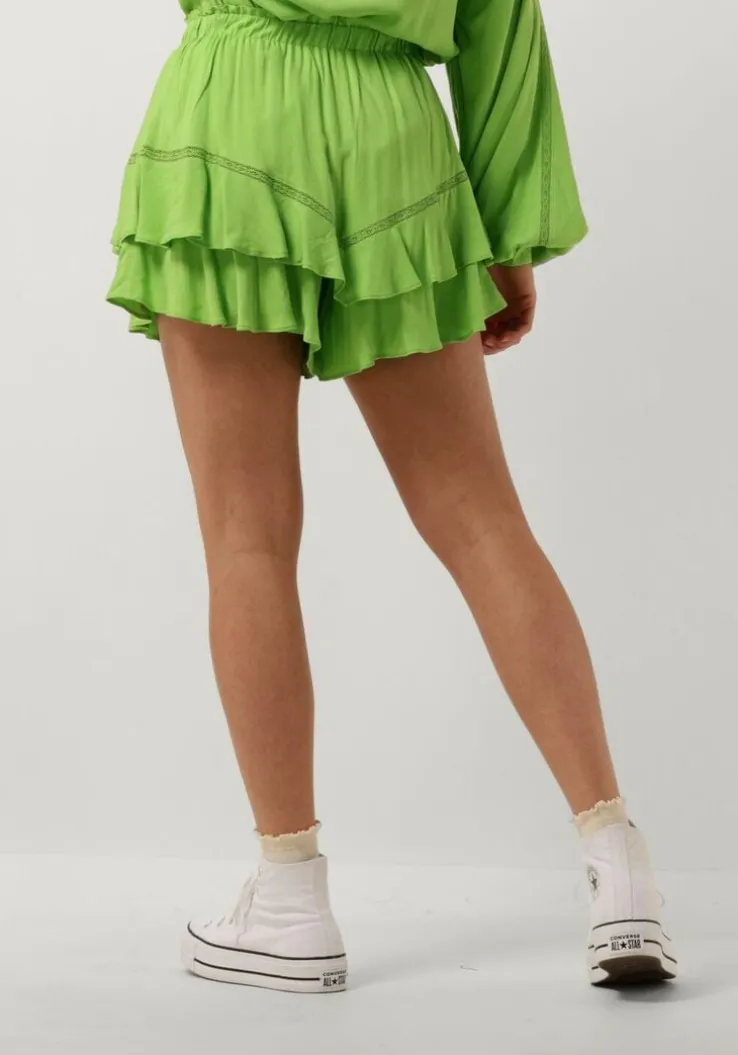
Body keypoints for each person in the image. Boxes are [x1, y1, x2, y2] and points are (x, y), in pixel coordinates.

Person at [107, 0, 677, 992]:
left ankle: (290, 899)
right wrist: (508, 239)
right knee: (480, 518)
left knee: (247, 535)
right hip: (394, 137)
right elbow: (502, 29)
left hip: (227, 120)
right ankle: (617, 864)